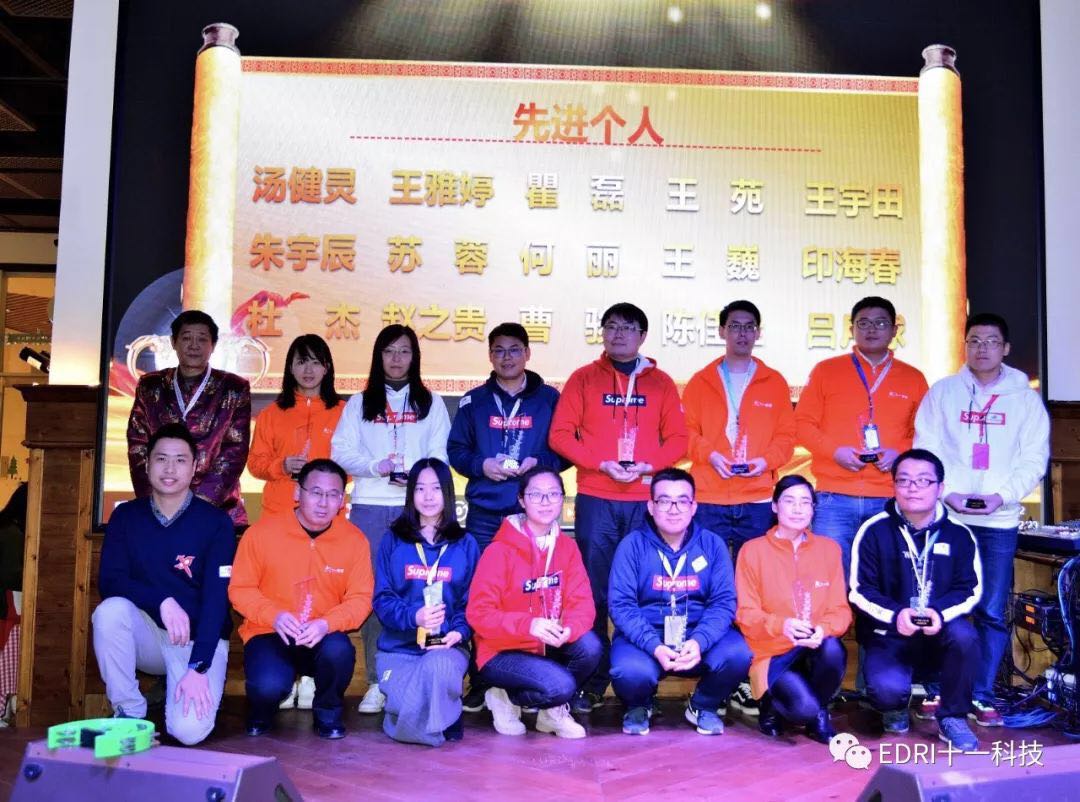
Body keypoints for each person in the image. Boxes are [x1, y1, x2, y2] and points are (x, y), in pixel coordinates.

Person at [549, 302, 687, 709]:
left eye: (627, 328)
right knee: (594, 591)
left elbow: (679, 440)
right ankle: (593, 681)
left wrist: (649, 466)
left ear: (642, 336)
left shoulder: (661, 383)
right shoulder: (583, 378)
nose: (618, 334)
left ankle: (640, 681)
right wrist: (599, 463)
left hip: (645, 502)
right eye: (611, 326)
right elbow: (560, 435)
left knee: (643, 590)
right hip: (596, 497)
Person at [914, 313, 1049, 726]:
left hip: (999, 522)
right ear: (965, 345)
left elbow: (1034, 458)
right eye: (974, 340)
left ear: (1005, 348)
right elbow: (927, 447)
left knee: (990, 610)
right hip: (948, 518)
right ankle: (937, 688)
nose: (982, 348)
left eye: (991, 341)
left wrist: (1000, 497)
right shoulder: (943, 392)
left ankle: (981, 693)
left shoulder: (1024, 399)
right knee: (938, 604)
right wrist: (948, 492)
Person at [683, 299, 796, 716]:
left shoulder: (774, 382)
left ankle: (750, 678)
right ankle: (714, 674)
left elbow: (787, 437)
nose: (742, 333)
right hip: (710, 498)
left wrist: (766, 462)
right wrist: (710, 455)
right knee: (708, 586)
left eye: (749, 326)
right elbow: (685, 433)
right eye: (734, 326)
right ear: (721, 331)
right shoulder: (701, 381)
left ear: (758, 333)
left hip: (756, 499)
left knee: (756, 591)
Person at [331, 324, 450, 714]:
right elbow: (340, 452)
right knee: (374, 593)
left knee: (418, 590)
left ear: (415, 357)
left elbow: (441, 454)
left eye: (404, 351)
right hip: (369, 505)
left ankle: (417, 675)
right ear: (377, 356)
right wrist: (376, 466)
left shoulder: (431, 403)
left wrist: (416, 475)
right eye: (389, 351)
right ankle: (376, 681)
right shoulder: (359, 402)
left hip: (416, 509)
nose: (396, 359)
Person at [447, 321, 564, 712]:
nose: (507, 357)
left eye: (514, 349)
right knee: (483, 597)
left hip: (532, 514)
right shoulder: (473, 401)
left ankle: (527, 679)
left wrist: (539, 462)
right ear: (490, 355)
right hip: (485, 516)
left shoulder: (549, 399)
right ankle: (482, 680)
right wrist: (481, 465)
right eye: (499, 350)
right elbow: (457, 451)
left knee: (532, 596)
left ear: (528, 353)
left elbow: (565, 448)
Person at [93, 423, 234, 745]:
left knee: (188, 732)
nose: (170, 469)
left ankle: (195, 681)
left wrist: (199, 667)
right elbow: (110, 580)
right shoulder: (126, 516)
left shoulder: (216, 523)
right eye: (161, 459)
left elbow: (216, 601)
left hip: (198, 642)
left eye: (180, 460)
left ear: (195, 467)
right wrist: (161, 601)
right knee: (110, 612)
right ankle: (129, 713)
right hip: (151, 636)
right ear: (147, 464)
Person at [229, 459, 373, 740]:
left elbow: (361, 599)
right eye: (316, 492)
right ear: (297, 493)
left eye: (333, 495)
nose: (324, 503)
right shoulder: (261, 533)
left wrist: (326, 623)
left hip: (321, 634)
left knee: (339, 651)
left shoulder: (354, 540)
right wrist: (273, 615)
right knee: (268, 686)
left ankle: (328, 712)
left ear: (342, 500)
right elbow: (240, 589)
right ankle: (261, 710)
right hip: (270, 631)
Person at [849, 449, 982, 751]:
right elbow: (860, 589)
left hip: (938, 631)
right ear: (893, 485)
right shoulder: (873, 531)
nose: (913, 488)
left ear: (940, 487)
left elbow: (969, 589)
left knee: (965, 636)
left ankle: (953, 717)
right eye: (904, 480)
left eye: (923, 481)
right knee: (886, 692)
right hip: (889, 634)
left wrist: (939, 612)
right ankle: (894, 705)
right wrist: (896, 614)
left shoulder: (959, 535)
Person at [608, 468, 751, 736]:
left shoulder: (712, 544)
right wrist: (654, 645)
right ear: (651, 506)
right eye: (664, 501)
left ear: (694, 507)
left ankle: (703, 705)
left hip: (697, 635)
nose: (674, 509)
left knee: (738, 654)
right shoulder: (632, 545)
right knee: (628, 670)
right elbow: (622, 606)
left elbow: (723, 602)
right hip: (647, 638)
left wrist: (700, 641)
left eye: (682, 501)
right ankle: (640, 704)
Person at [795, 296, 928, 575]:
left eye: (880, 323)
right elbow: (802, 424)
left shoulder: (913, 378)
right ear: (851, 328)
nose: (871, 329)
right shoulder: (826, 371)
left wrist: (899, 453)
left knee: (886, 579)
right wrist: (834, 452)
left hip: (889, 496)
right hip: (834, 498)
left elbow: (924, 433)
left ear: (894, 330)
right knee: (830, 578)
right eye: (863, 323)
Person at [466, 466, 601, 738]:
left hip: (546, 646)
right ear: (521, 500)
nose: (545, 501)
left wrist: (569, 629)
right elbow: (478, 614)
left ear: (562, 499)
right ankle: (502, 696)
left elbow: (582, 603)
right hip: (502, 651)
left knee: (590, 647)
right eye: (536, 494)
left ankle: (550, 713)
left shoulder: (567, 547)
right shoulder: (499, 550)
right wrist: (528, 625)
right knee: (561, 686)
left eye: (553, 494)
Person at [735, 475, 851, 743]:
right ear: (775, 506)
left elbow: (841, 610)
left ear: (813, 509)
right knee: (802, 710)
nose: (798, 509)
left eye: (805, 502)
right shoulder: (752, 550)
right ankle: (773, 705)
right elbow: (745, 613)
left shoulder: (829, 549)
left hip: (813, 646)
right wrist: (781, 625)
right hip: (772, 650)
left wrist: (823, 629)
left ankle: (819, 711)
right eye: (789, 501)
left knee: (833, 649)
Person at [373, 459, 479, 746]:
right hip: (399, 648)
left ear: (448, 492)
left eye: (436, 488)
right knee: (406, 699)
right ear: (411, 494)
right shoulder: (393, 540)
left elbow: (472, 602)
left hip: (445, 647)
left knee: (437, 668)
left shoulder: (465, 543)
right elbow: (382, 599)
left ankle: (420, 713)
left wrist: (459, 632)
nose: (428, 496)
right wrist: (414, 616)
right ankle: (441, 714)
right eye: (420, 489)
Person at [127, 309, 252, 524]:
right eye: (186, 338)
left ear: (213, 345)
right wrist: (159, 500)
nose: (194, 345)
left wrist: (198, 505)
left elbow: (234, 451)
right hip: (160, 505)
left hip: (217, 507)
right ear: (173, 342)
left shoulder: (233, 388)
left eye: (202, 339)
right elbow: (138, 444)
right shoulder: (151, 385)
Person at [248, 334, 345, 517]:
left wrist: (325, 477)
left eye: (315, 362)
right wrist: (282, 466)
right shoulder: (271, 413)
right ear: (290, 368)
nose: (308, 370)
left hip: (327, 512)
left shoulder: (344, 412)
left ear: (326, 368)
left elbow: (353, 463)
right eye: (301, 362)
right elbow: (255, 464)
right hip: (279, 511)